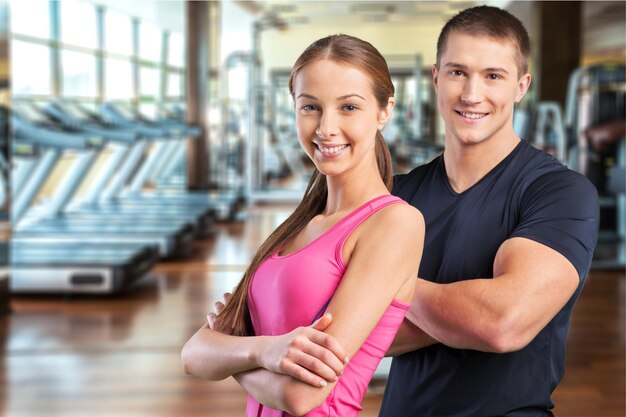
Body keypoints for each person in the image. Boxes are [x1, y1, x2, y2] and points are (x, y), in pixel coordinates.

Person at [181, 34, 425, 417]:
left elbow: (301, 396)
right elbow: (193, 354)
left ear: (384, 111)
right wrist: (263, 350)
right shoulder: (297, 226)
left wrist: (236, 350)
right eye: (310, 107)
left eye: (348, 107)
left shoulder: (395, 223)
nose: (326, 128)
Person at [377, 5, 599, 416]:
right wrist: (467, 306)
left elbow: (501, 322)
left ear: (521, 86)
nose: (471, 94)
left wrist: (383, 284)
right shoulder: (395, 195)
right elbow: (354, 336)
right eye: (457, 72)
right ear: (436, 78)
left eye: (493, 76)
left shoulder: (561, 193)